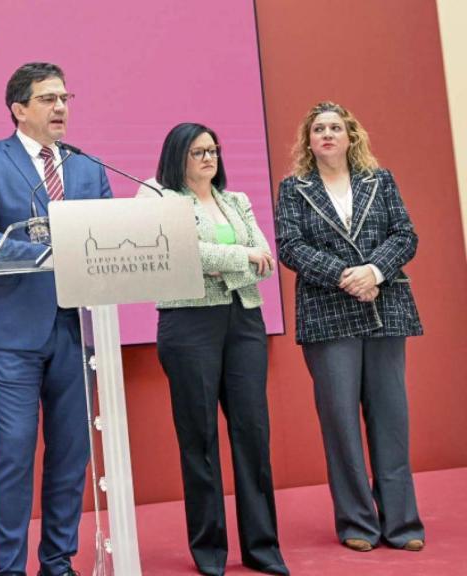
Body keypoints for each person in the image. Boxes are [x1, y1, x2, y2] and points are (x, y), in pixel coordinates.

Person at [0, 62, 112, 576]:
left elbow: (110, 231)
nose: (61, 107)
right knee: (15, 453)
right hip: (14, 329)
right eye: (48, 99)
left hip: (77, 326)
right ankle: (8, 567)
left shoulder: (87, 166)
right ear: (19, 109)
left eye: (65, 97)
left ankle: (57, 561)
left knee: (71, 455)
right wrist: (39, 251)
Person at [137, 123, 288, 576]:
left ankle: (262, 548)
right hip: (188, 323)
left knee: (252, 433)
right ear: (177, 156)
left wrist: (236, 261)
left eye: (214, 150)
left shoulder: (236, 200)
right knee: (199, 437)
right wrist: (238, 259)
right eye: (199, 151)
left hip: (244, 319)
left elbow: (265, 255)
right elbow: (182, 250)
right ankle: (210, 552)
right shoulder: (158, 198)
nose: (209, 158)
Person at [275, 101, 425, 553]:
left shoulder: (380, 181)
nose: (326, 134)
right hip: (328, 313)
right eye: (318, 129)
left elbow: (405, 235)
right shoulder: (293, 188)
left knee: (391, 421)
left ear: (350, 136)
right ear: (308, 141)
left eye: (335, 127)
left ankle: (402, 523)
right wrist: (347, 275)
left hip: (385, 307)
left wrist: (374, 271)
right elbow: (289, 245)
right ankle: (358, 522)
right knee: (341, 423)